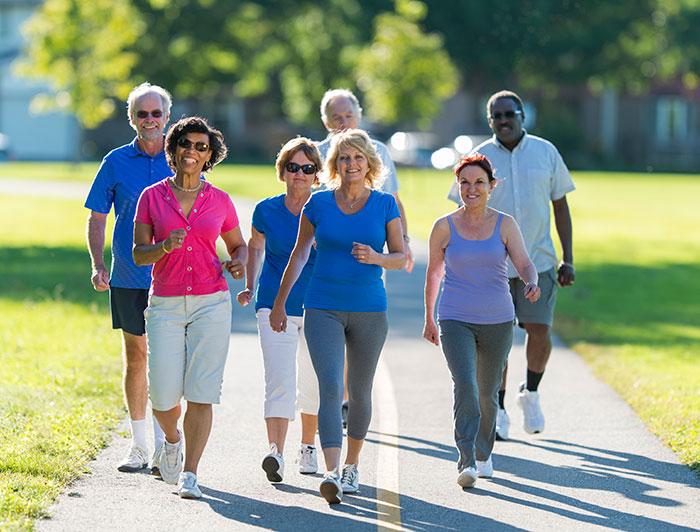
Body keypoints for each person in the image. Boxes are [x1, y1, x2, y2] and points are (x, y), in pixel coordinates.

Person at [269, 129, 406, 504]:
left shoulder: (384, 205)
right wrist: (281, 303)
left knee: (359, 391)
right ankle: (330, 472)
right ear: (334, 165)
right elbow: (298, 256)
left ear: (370, 164)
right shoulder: (318, 204)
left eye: (358, 158)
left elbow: (401, 257)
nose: (351, 164)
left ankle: (352, 465)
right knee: (329, 386)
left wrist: (377, 258)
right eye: (344, 158)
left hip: (369, 309)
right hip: (322, 306)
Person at [447, 90, 575, 438]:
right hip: (492, 267)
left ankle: (530, 393)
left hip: (540, 259)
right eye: (497, 116)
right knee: (496, 341)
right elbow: (461, 210)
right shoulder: (479, 158)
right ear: (490, 121)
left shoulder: (546, 152)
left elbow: (560, 207)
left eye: (510, 114)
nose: (504, 120)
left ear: (523, 115)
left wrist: (569, 258)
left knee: (540, 331)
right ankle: (499, 407)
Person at [133, 116, 247, 499]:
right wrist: (163, 246)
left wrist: (237, 262)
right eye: (186, 144)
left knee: (202, 392)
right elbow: (137, 254)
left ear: (210, 155)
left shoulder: (220, 201)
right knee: (163, 398)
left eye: (201, 147)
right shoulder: (152, 197)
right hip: (164, 303)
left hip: (211, 302)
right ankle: (171, 438)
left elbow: (237, 245)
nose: (192, 152)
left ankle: (191, 474)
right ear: (174, 149)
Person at [424, 154, 540, 488]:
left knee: (488, 393)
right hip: (455, 317)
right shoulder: (443, 226)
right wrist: (429, 318)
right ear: (457, 185)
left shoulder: (505, 224)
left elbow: (524, 263)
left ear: (492, 186)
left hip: (498, 320)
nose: (471, 189)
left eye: (478, 182)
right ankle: (467, 460)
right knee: (465, 385)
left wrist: (532, 282)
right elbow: (434, 273)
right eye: (464, 182)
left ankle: (484, 453)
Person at [84, 82, 172, 473]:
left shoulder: (184, 158)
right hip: (129, 275)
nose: (149, 120)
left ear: (167, 117)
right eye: (142, 114)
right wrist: (97, 264)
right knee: (137, 358)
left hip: (175, 279)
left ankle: (167, 445)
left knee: (170, 363)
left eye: (156, 113)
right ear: (132, 118)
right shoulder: (115, 161)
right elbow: (97, 215)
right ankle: (140, 446)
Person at [236, 137, 322, 482]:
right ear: (282, 171)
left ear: (316, 174)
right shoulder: (266, 210)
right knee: (279, 379)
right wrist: (248, 285)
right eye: (292, 167)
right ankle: (275, 452)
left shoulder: (325, 208)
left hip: (318, 306)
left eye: (307, 168)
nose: (299, 174)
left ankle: (308, 446)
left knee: (313, 383)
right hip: (273, 304)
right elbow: (255, 248)